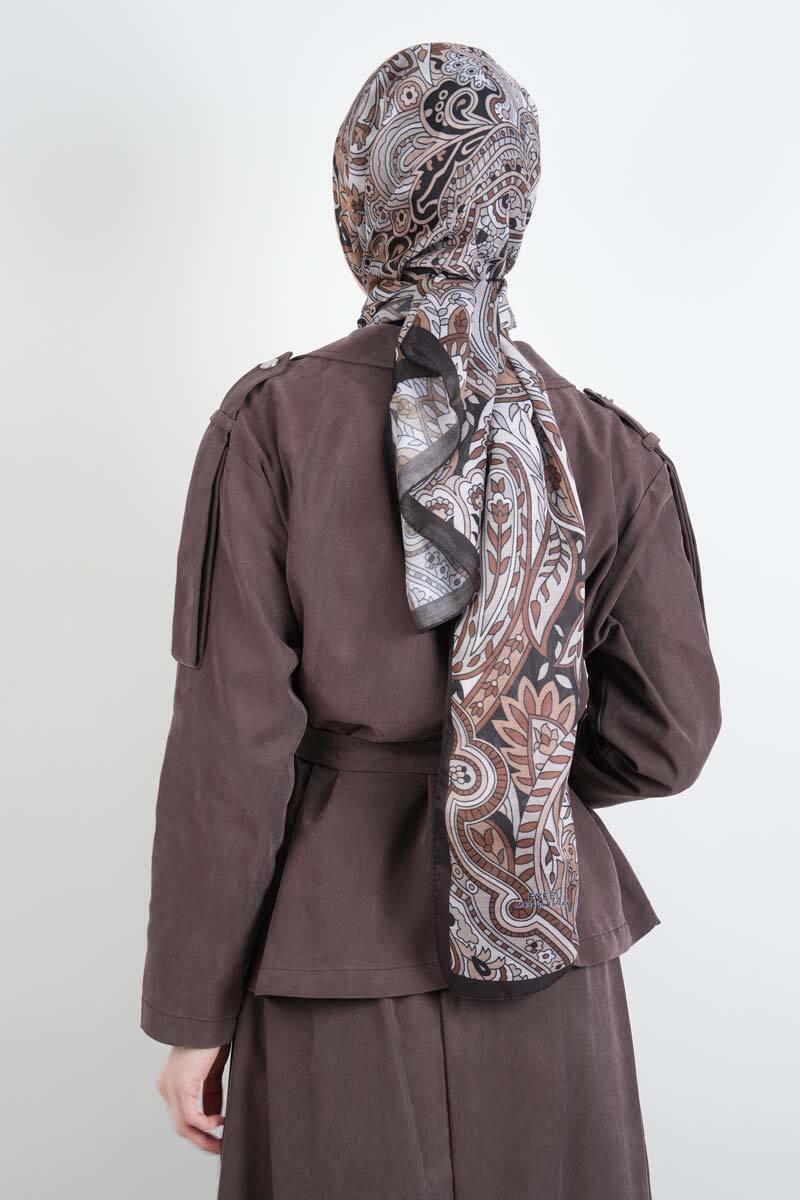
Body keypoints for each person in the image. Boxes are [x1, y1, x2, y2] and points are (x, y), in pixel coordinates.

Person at [142, 42, 721, 1200]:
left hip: (335, 953)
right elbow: (668, 737)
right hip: (548, 950)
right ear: (512, 200)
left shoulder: (272, 426)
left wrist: (191, 1016)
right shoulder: (609, 446)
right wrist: (515, 765)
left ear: (363, 194)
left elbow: (233, 746)